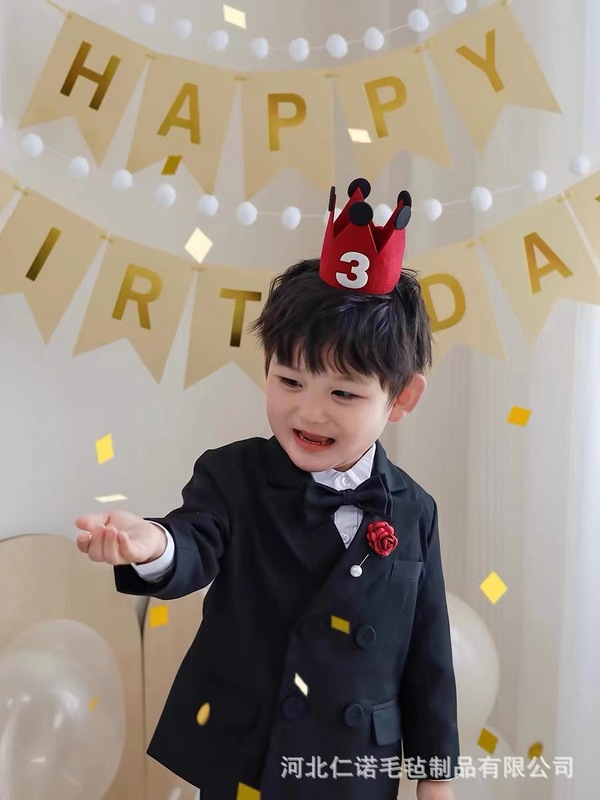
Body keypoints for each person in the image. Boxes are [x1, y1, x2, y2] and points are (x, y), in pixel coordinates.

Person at [75, 179, 459, 800]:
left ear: (402, 398)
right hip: (252, 755)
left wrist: (435, 781)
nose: (309, 412)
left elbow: (428, 655)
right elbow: (194, 542)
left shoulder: (416, 510)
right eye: (289, 381)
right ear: (266, 367)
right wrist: (154, 544)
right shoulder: (233, 475)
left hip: (355, 768)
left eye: (343, 393)